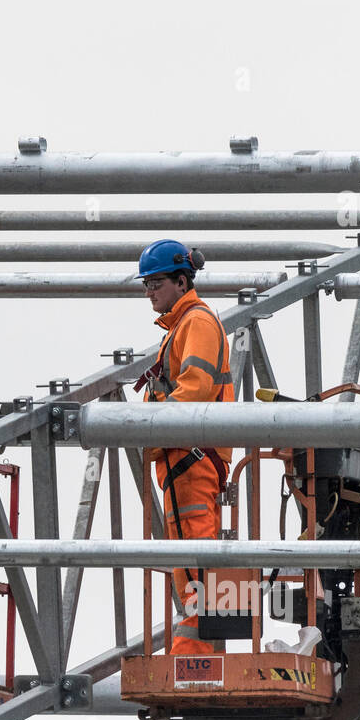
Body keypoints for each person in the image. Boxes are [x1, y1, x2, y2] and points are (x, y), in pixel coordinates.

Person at [132, 240, 234, 656]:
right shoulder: (180, 327)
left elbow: (194, 388)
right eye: (146, 284)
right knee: (186, 558)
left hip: (192, 458)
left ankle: (197, 655)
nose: (150, 291)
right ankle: (196, 651)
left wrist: (152, 431)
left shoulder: (197, 322)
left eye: (156, 282)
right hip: (182, 462)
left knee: (195, 556)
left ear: (181, 280)